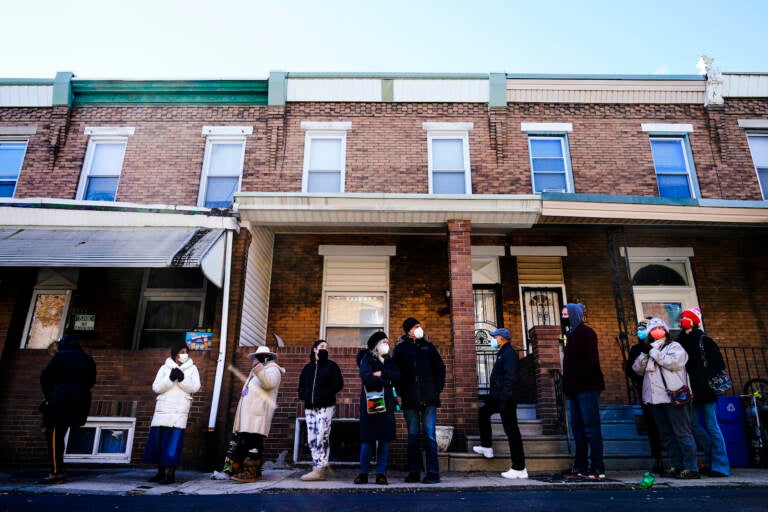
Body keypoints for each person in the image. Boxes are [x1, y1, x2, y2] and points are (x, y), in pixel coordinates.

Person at [632, 317, 700, 479]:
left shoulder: (674, 346)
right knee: (666, 434)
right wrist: (645, 354)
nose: (656, 331)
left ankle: (691, 467)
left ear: (665, 330)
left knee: (682, 432)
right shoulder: (648, 349)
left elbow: (674, 363)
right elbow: (637, 369)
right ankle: (676, 465)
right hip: (656, 399)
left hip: (674, 396)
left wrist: (654, 352)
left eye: (660, 328)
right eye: (653, 329)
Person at [676, 307, 731, 477]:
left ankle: (721, 466)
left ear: (695, 321)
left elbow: (718, 364)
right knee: (692, 426)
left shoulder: (704, 340)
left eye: (688, 317)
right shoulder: (679, 342)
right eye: (683, 317)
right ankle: (709, 459)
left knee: (712, 426)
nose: (684, 320)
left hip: (705, 391)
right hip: (688, 391)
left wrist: (703, 378)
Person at [392, 317, 446, 484]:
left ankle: (433, 473)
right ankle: (413, 472)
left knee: (430, 436)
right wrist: (401, 392)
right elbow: (395, 373)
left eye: (419, 326)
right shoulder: (400, 350)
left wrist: (436, 390)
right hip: (410, 400)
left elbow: (440, 369)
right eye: (416, 326)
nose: (419, 328)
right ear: (409, 331)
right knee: (413, 436)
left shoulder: (428, 347)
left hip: (429, 399)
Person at [39, 334, 97, 484]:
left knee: (53, 436)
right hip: (80, 401)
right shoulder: (87, 359)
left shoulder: (61, 357)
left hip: (60, 401)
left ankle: (56, 473)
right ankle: (59, 468)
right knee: (60, 435)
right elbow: (92, 380)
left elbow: (45, 377)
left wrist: (50, 395)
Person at [472, 328, 528, 479]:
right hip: (499, 397)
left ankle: (519, 467)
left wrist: (504, 398)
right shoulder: (503, 353)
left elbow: (511, 378)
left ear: (501, 338)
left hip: (506, 399)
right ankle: (486, 447)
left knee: (512, 432)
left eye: (494, 337)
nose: (492, 340)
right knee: (483, 413)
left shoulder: (509, 354)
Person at [143, 343, 201, 484]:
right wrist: (170, 379)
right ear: (175, 353)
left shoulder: (192, 369)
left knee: (173, 444)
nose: (184, 354)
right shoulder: (164, 368)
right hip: (163, 410)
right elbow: (156, 387)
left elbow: (195, 387)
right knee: (159, 443)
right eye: (182, 351)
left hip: (179, 411)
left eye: (186, 352)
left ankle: (171, 474)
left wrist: (182, 379)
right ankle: (160, 472)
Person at [561, 303, 606, 480]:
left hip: (587, 387)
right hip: (574, 390)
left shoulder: (587, 333)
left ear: (574, 315)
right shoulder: (571, 335)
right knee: (577, 429)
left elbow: (590, 361)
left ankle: (597, 467)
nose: (564, 317)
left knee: (591, 428)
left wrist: (576, 378)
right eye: (563, 314)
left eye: (566, 314)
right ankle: (581, 466)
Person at [231, 346, 285, 483]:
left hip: (258, 414)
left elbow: (269, 383)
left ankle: (251, 472)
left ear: (266, 357)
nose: (254, 360)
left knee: (254, 443)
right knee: (247, 442)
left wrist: (259, 368)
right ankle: (248, 471)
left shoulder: (272, 369)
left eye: (258, 357)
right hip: (249, 415)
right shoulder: (256, 372)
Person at [354, 331, 401, 485]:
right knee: (368, 439)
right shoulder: (366, 359)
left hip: (386, 403)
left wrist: (382, 373)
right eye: (384, 342)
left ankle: (381, 473)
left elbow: (398, 375)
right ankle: (363, 473)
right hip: (370, 402)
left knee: (384, 439)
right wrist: (386, 382)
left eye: (388, 342)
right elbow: (366, 378)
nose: (387, 344)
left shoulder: (388, 360)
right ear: (376, 344)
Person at [298, 339, 344, 481]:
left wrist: (324, 394)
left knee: (322, 436)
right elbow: (301, 386)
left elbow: (338, 384)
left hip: (325, 406)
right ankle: (316, 466)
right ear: (314, 349)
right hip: (310, 407)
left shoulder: (332, 366)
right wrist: (304, 395)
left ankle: (320, 468)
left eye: (327, 347)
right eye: (322, 346)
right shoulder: (307, 368)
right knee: (312, 437)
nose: (325, 349)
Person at [624, 319, 665, 474]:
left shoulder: (665, 346)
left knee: (667, 425)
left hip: (665, 391)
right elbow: (631, 369)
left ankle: (677, 459)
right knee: (652, 425)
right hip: (646, 390)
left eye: (643, 329)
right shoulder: (637, 349)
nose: (640, 332)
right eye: (638, 329)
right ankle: (658, 458)